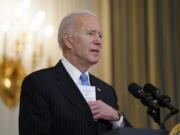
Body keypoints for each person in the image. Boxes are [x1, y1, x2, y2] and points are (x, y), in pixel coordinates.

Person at [19, 10, 131, 135]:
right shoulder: (39, 83)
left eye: (100, 35)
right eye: (90, 33)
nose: (98, 41)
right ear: (68, 40)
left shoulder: (107, 91)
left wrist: (117, 117)